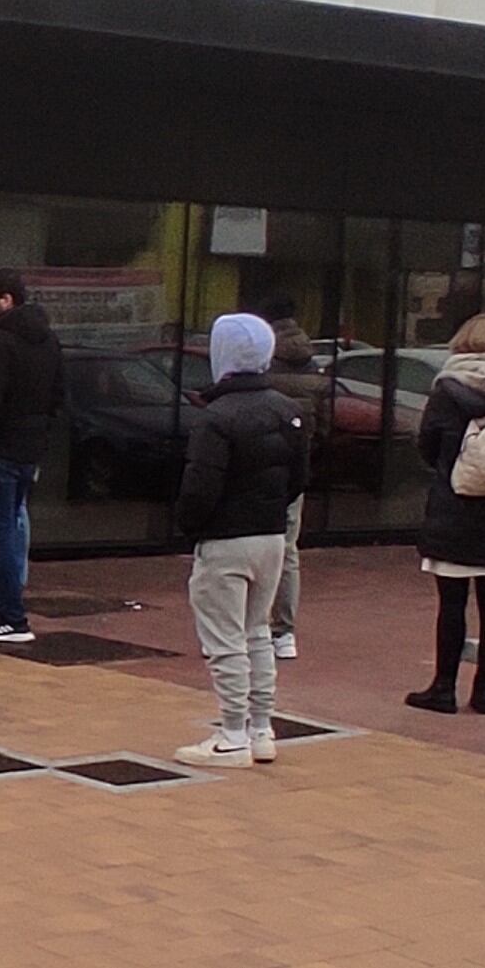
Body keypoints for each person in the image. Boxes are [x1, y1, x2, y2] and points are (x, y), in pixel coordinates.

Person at [170, 312, 308, 768]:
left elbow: (199, 487)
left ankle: (232, 734)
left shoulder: (216, 417)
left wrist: (191, 527)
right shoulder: (289, 411)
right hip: (270, 536)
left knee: (224, 639)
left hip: (225, 539)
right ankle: (261, 729)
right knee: (256, 634)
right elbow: (298, 479)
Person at [403, 313, 485, 715]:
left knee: (452, 602)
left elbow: (428, 443)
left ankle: (443, 687)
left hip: (455, 506)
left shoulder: (448, 389)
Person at [0, 269, 64, 643]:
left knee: (1, 533)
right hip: (28, 451)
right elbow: (57, 398)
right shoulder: (49, 342)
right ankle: (9, 611)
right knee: (13, 527)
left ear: (7, 300)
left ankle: (10, 615)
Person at [258, 296, 324, 660]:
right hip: (296, 464)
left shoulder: (262, 361)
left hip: (260, 464)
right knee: (288, 549)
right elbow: (325, 420)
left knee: (245, 545)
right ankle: (284, 632)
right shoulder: (312, 364)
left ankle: (249, 627)